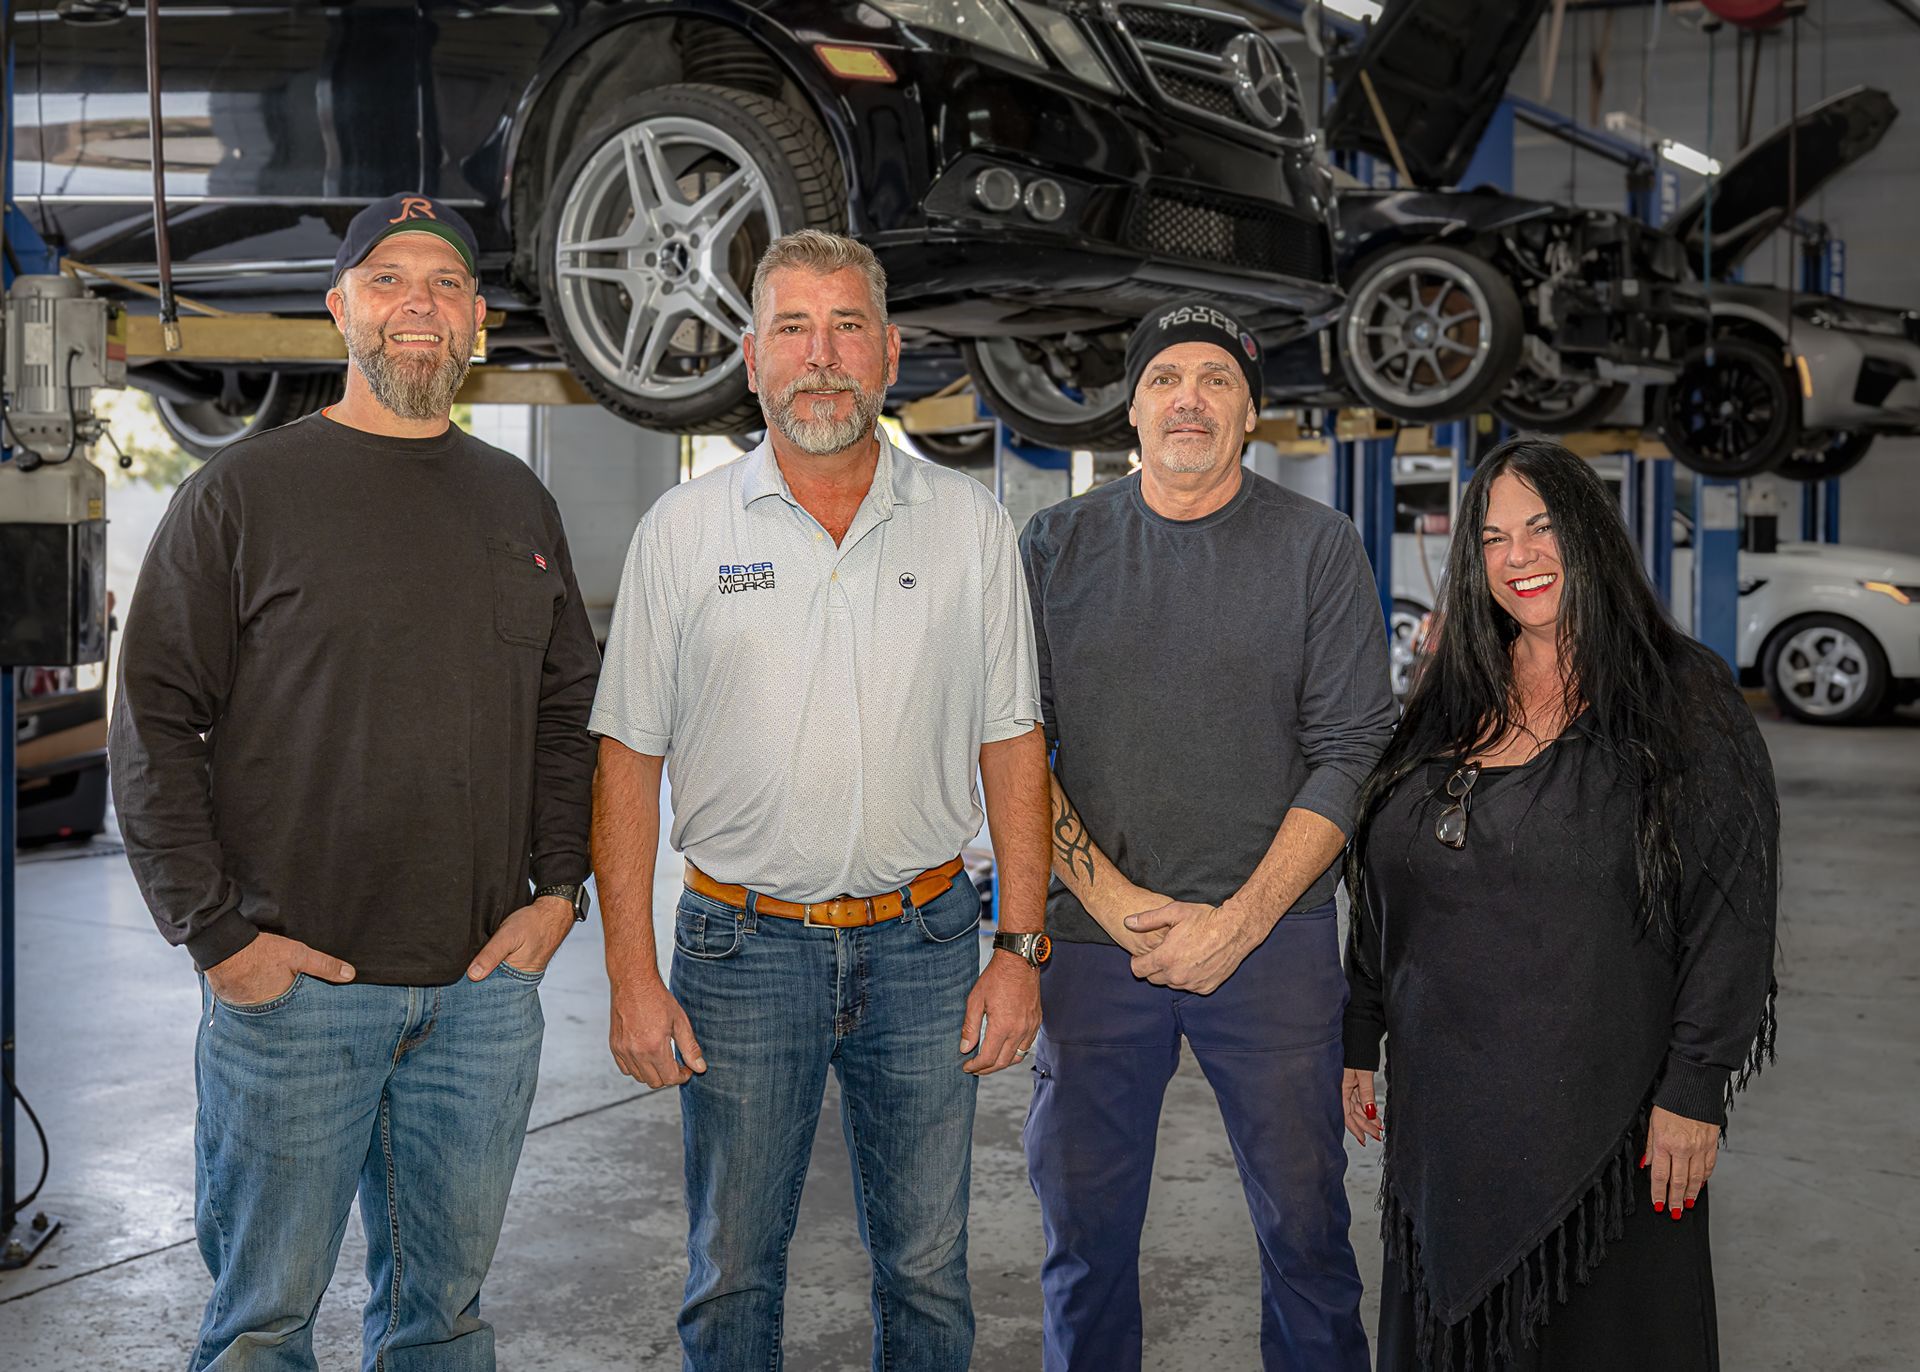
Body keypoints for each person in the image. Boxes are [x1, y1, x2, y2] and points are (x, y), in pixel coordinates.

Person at [109, 193, 600, 1371]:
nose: (417, 303)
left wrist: (559, 891)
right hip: (293, 1000)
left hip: (479, 1000)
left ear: (477, 321)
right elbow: (155, 726)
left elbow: (567, 715)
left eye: (444, 284)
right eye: (387, 279)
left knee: (443, 1322)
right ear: (340, 308)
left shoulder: (519, 504)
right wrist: (221, 937)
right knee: (262, 1329)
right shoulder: (238, 497)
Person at [588, 228, 1050, 1372]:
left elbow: (1015, 744)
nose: (821, 356)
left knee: (929, 1272)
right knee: (731, 1268)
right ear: (751, 358)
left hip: (931, 945)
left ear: (892, 354)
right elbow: (625, 762)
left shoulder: (971, 530)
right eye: (793, 328)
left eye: (847, 327)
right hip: (740, 952)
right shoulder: (682, 534)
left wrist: (1020, 947)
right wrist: (633, 978)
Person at [1342, 436, 1779, 1372]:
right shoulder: (1456, 693)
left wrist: (1695, 1089)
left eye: (1542, 528)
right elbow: (1389, 875)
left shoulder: (1683, 697)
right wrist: (1360, 1028)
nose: (1519, 557)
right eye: (1493, 537)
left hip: (1607, 1128)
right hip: (1446, 1119)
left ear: (1590, 535)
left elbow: (1731, 910)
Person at [1019, 300, 1391, 1372]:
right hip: (1094, 953)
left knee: (1307, 1236)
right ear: (1131, 410)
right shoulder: (1056, 543)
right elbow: (1011, 741)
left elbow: (1353, 746)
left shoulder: (1316, 547)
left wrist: (1238, 924)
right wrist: (1115, 903)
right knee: (1083, 1244)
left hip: (1271, 952)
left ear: (1250, 412)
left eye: (1217, 380)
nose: (1190, 396)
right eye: (1166, 378)